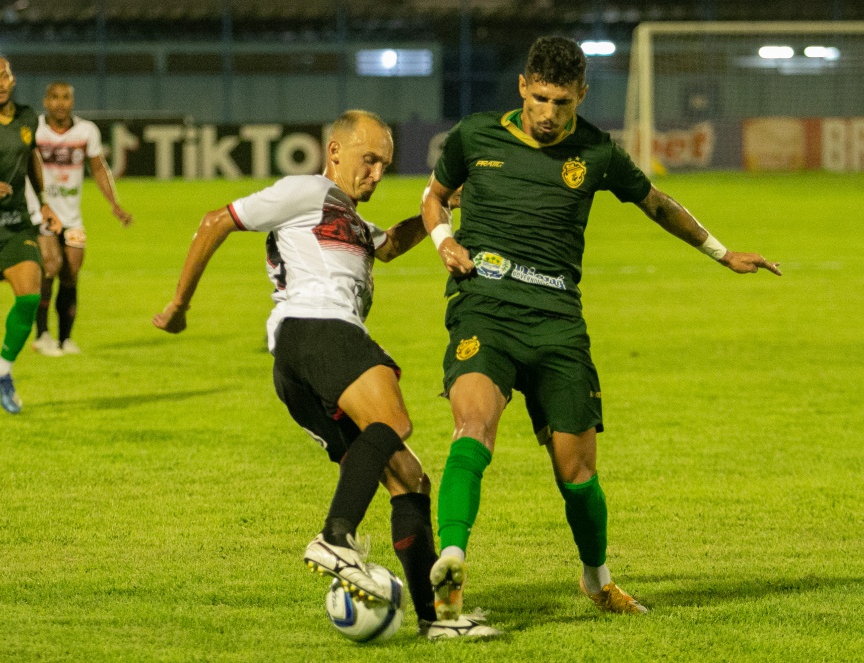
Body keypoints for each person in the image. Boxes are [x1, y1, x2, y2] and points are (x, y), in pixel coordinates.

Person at [421, 36, 782, 622]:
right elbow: (433, 199)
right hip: (483, 307)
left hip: (558, 321)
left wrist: (722, 253)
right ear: (522, 86)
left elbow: (657, 202)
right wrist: (444, 240)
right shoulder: (474, 136)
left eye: (562, 102)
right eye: (540, 98)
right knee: (473, 423)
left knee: (578, 472)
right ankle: (452, 564)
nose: (549, 113)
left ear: (581, 96)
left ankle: (597, 580)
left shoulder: (596, 153)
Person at [153, 110, 498, 639]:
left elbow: (387, 246)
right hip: (316, 328)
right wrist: (179, 305)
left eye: (385, 163)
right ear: (333, 152)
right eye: (369, 159)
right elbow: (215, 220)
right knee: (393, 420)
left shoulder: (352, 220)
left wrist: (438, 211)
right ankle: (336, 537)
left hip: (301, 364)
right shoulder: (305, 190)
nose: (377, 172)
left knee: (410, 480)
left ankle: (437, 619)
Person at [30, 81, 133, 356]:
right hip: (42, 213)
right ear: (45, 101)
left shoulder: (86, 131)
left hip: (72, 217)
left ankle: (65, 339)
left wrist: (114, 204)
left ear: (72, 102)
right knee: (50, 266)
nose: (60, 103)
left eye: (66, 98)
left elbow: (98, 168)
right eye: (55, 97)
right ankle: (42, 335)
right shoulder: (34, 130)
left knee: (70, 274)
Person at [0, 54, 61, 414]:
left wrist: (43, 201)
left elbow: (31, 159)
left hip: (15, 221)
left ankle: (2, 371)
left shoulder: (29, 117)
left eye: (4, 76)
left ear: (13, 79)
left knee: (30, 296)